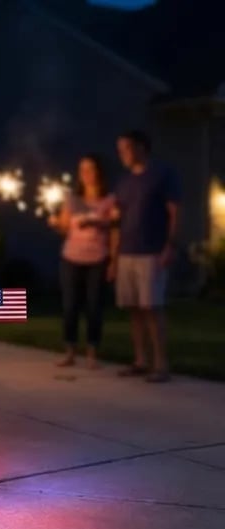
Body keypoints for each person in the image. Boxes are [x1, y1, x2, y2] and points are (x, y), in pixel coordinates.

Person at [110, 130, 181, 382]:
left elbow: (174, 212)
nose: (122, 155)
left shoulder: (162, 175)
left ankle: (161, 365)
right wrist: (114, 257)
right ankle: (140, 360)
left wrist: (170, 245)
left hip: (152, 252)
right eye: (119, 150)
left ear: (140, 147)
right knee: (133, 309)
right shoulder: (124, 182)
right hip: (127, 252)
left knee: (152, 307)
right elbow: (117, 220)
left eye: (125, 149)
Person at [48, 154, 115, 369]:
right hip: (71, 258)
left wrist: (113, 259)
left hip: (97, 258)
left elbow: (114, 228)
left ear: (99, 172)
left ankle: (92, 353)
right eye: (82, 169)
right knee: (70, 306)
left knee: (94, 306)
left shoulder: (109, 200)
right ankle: (69, 352)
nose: (86, 174)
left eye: (90, 169)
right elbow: (65, 229)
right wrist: (56, 223)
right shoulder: (72, 199)